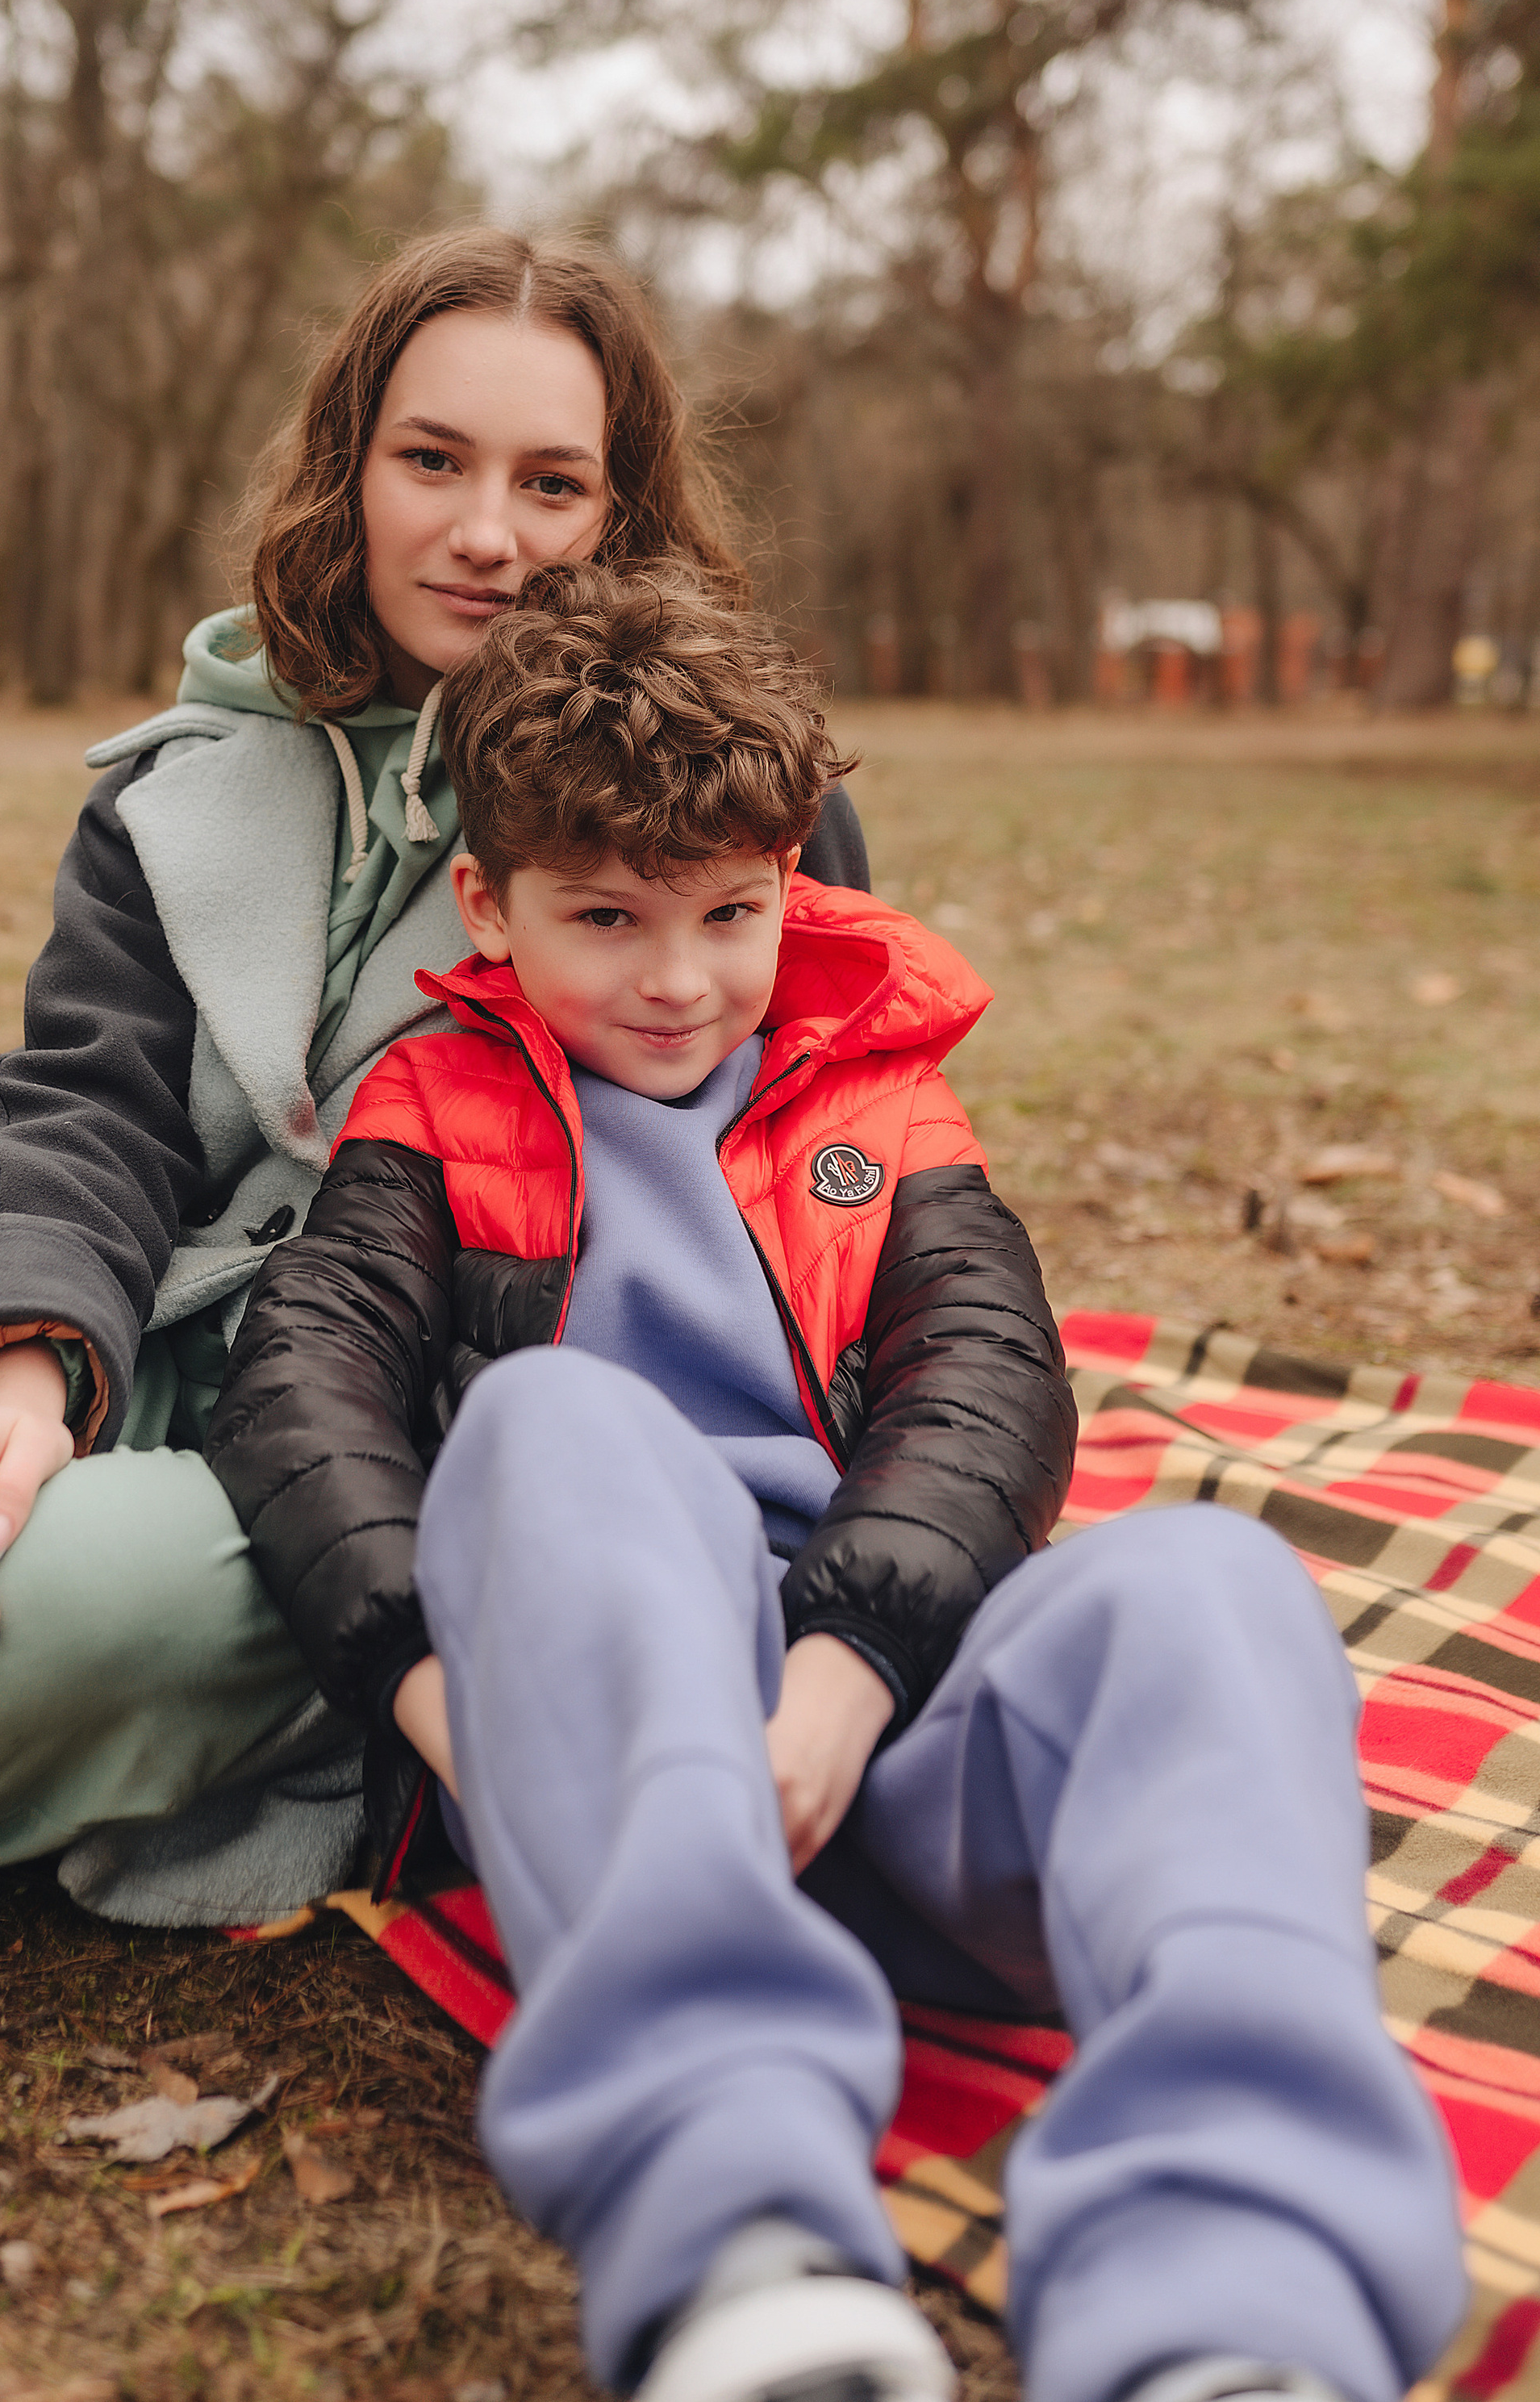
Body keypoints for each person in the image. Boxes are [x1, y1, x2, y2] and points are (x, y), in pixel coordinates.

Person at [0, 228, 870, 1915]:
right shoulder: (194, 771)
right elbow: (87, 1101)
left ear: (618, 512)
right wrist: (15, 1373)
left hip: (374, 1461)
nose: (485, 531)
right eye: (430, 458)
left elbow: (807, 1218)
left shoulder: (721, 816)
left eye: (551, 483)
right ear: (348, 465)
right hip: (124, 1317)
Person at [207, 563, 1467, 2402]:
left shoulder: (871, 1096)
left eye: (730, 910)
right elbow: (297, 1384)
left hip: (888, 1737)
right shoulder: (434, 1112)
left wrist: (850, 1664)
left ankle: (1231, 2304)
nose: (674, 975)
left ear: (796, 872)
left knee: (1210, 1584)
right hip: (630, 1753)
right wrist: (431, 1687)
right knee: (555, 1422)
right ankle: (743, 2243)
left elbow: (986, 1379)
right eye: (605, 915)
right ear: (486, 901)